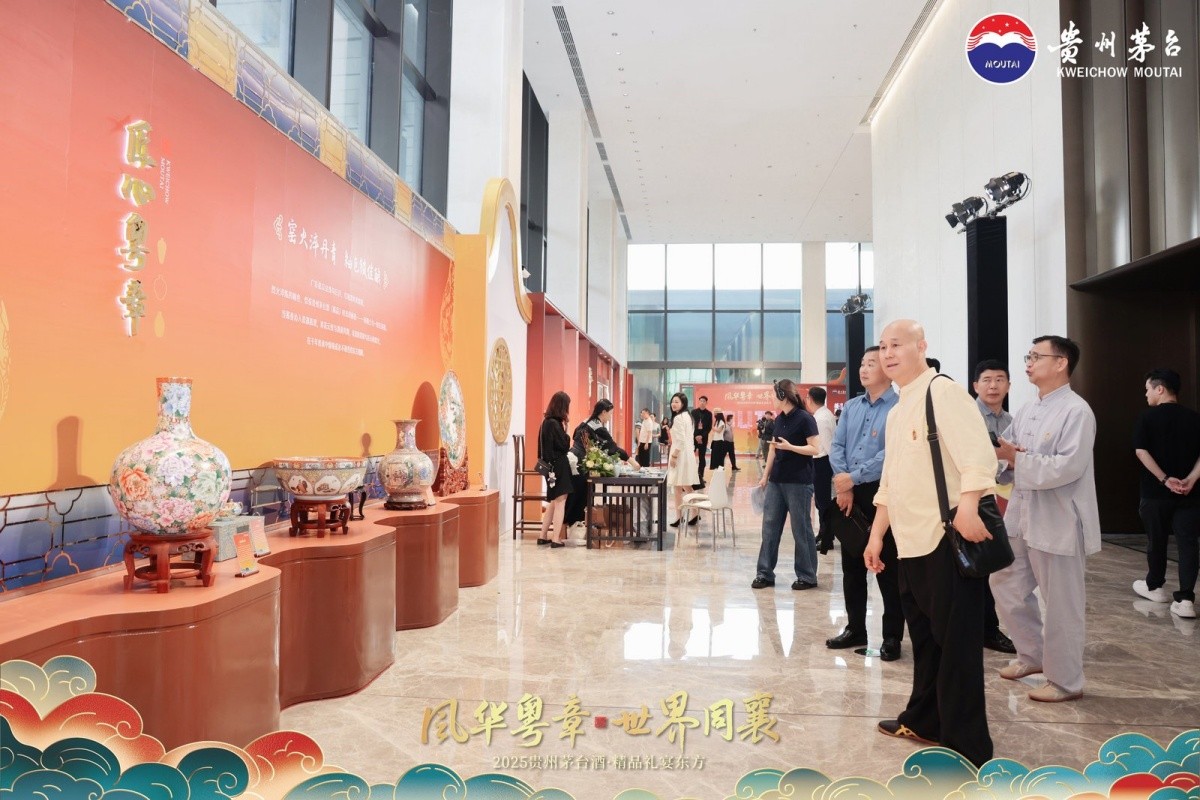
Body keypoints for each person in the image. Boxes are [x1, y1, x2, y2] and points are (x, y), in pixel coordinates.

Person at [865, 319, 995, 767]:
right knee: (926, 641)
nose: (888, 353)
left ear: (921, 346)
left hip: (946, 539)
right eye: (883, 347)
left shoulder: (943, 392)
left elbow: (979, 457)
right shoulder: (899, 408)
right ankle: (924, 719)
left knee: (957, 648)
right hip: (909, 542)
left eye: (896, 344)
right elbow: (890, 481)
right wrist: (877, 535)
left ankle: (967, 745)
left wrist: (970, 506)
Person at [992, 336, 1100, 703]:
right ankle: (1032, 655)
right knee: (1005, 582)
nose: (1029, 362)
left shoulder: (1077, 411)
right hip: (1023, 513)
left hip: (1059, 519)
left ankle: (1066, 681)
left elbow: (1068, 466)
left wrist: (1018, 459)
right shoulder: (1026, 409)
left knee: (1061, 604)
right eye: (1029, 355)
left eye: (1036, 356)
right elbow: (1006, 453)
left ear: (1061, 362)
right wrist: (1007, 459)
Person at [827, 348, 903, 660]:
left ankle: (892, 636)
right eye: (862, 363)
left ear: (887, 368)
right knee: (852, 566)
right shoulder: (851, 406)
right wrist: (844, 483)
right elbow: (837, 445)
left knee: (888, 567)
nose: (864, 369)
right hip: (850, 492)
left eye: (871, 363)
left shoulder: (899, 407)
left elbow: (892, 453)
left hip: (884, 492)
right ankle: (855, 628)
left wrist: (853, 478)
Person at [1132, 368, 1200, 619]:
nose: (1146, 394)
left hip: (1155, 493)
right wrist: (1191, 479)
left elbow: (1141, 451)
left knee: (1156, 540)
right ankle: (1186, 600)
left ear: (1159, 389)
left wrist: (1164, 479)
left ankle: (1155, 586)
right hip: (1190, 493)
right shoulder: (1195, 418)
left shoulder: (1146, 417)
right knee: (1188, 544)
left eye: (1148, 389)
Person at [752, 379, 822, 591]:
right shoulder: (779, 419)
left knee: (801, 529)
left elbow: (815, 449)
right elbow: (773, 449)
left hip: (799, 482)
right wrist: (765, 476)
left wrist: (791, 447)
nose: (772, 399)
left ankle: (807, 575)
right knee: (769, 527)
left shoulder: (805, 418)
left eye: (774, 395)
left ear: (783, 396)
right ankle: (764, 573)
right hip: (777, 481)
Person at [970, 359, 1018, 654]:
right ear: (975, 385)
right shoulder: (968, 417)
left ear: (1008, 385)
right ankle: (981, 629)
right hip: (969, 501)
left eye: (1000, 379)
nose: (993, 386)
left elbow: (1013, 464)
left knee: (991, 568)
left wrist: (1005, 460)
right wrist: (1005, 459)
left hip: (998, 502)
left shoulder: (1012, 422)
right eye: (987, 380)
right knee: (974, 567)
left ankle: (988, 629)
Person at [566, 399, 636, 532]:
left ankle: (573, 526)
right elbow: (612, 447)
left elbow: (576, 436)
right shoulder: (597, 427)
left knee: (576, 495)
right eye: (610, 414)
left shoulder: (586, 422)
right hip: (579, 463)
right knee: (581, 495)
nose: (610, 417)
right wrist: (631, 460)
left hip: (573, 459)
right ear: (603, 412)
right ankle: (578, 527)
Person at [537, 391, 573, 548]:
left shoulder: (545, 422)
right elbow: (564, 446)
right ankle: (556, 538)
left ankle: (543, 535)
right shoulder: (555, 424)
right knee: (560, 502)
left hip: (549, 467)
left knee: (553, 502)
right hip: (559, 466)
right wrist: (567, 429)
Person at [804, 386, 837, 554]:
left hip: (822, 462)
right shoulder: (824, 414)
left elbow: (828, 445)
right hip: (821, 462)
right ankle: (823, 534)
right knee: (820, 502)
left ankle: (827, 538)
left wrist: (835, 468)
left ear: (810, 399)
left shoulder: (821, 419)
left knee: (823, 502)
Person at [666, 392, 701, 527]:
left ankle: (679, 516)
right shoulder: (688, 416)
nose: (673, 404)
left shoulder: (678, 418)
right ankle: (695, 513)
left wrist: (674, 456)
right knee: (686, 485)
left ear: (683, 404)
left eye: (677, 402)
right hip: (687, 454)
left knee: (677, 487)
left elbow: (680, 440)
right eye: (672, 401)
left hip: (679, 454)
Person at [692, 395, 714, 487]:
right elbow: (691, 425)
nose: (702, 402)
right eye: (700, 401)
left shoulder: (709, 414)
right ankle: (692, 476)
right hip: (693, 438)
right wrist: (696, 436)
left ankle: (700, 476)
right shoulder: (693, 412)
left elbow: (709, 427)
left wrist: (701, 436)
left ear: (706, 403)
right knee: (691, 457)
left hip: (703, 438)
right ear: (699, 401)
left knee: (702, 458)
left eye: (704, 401)